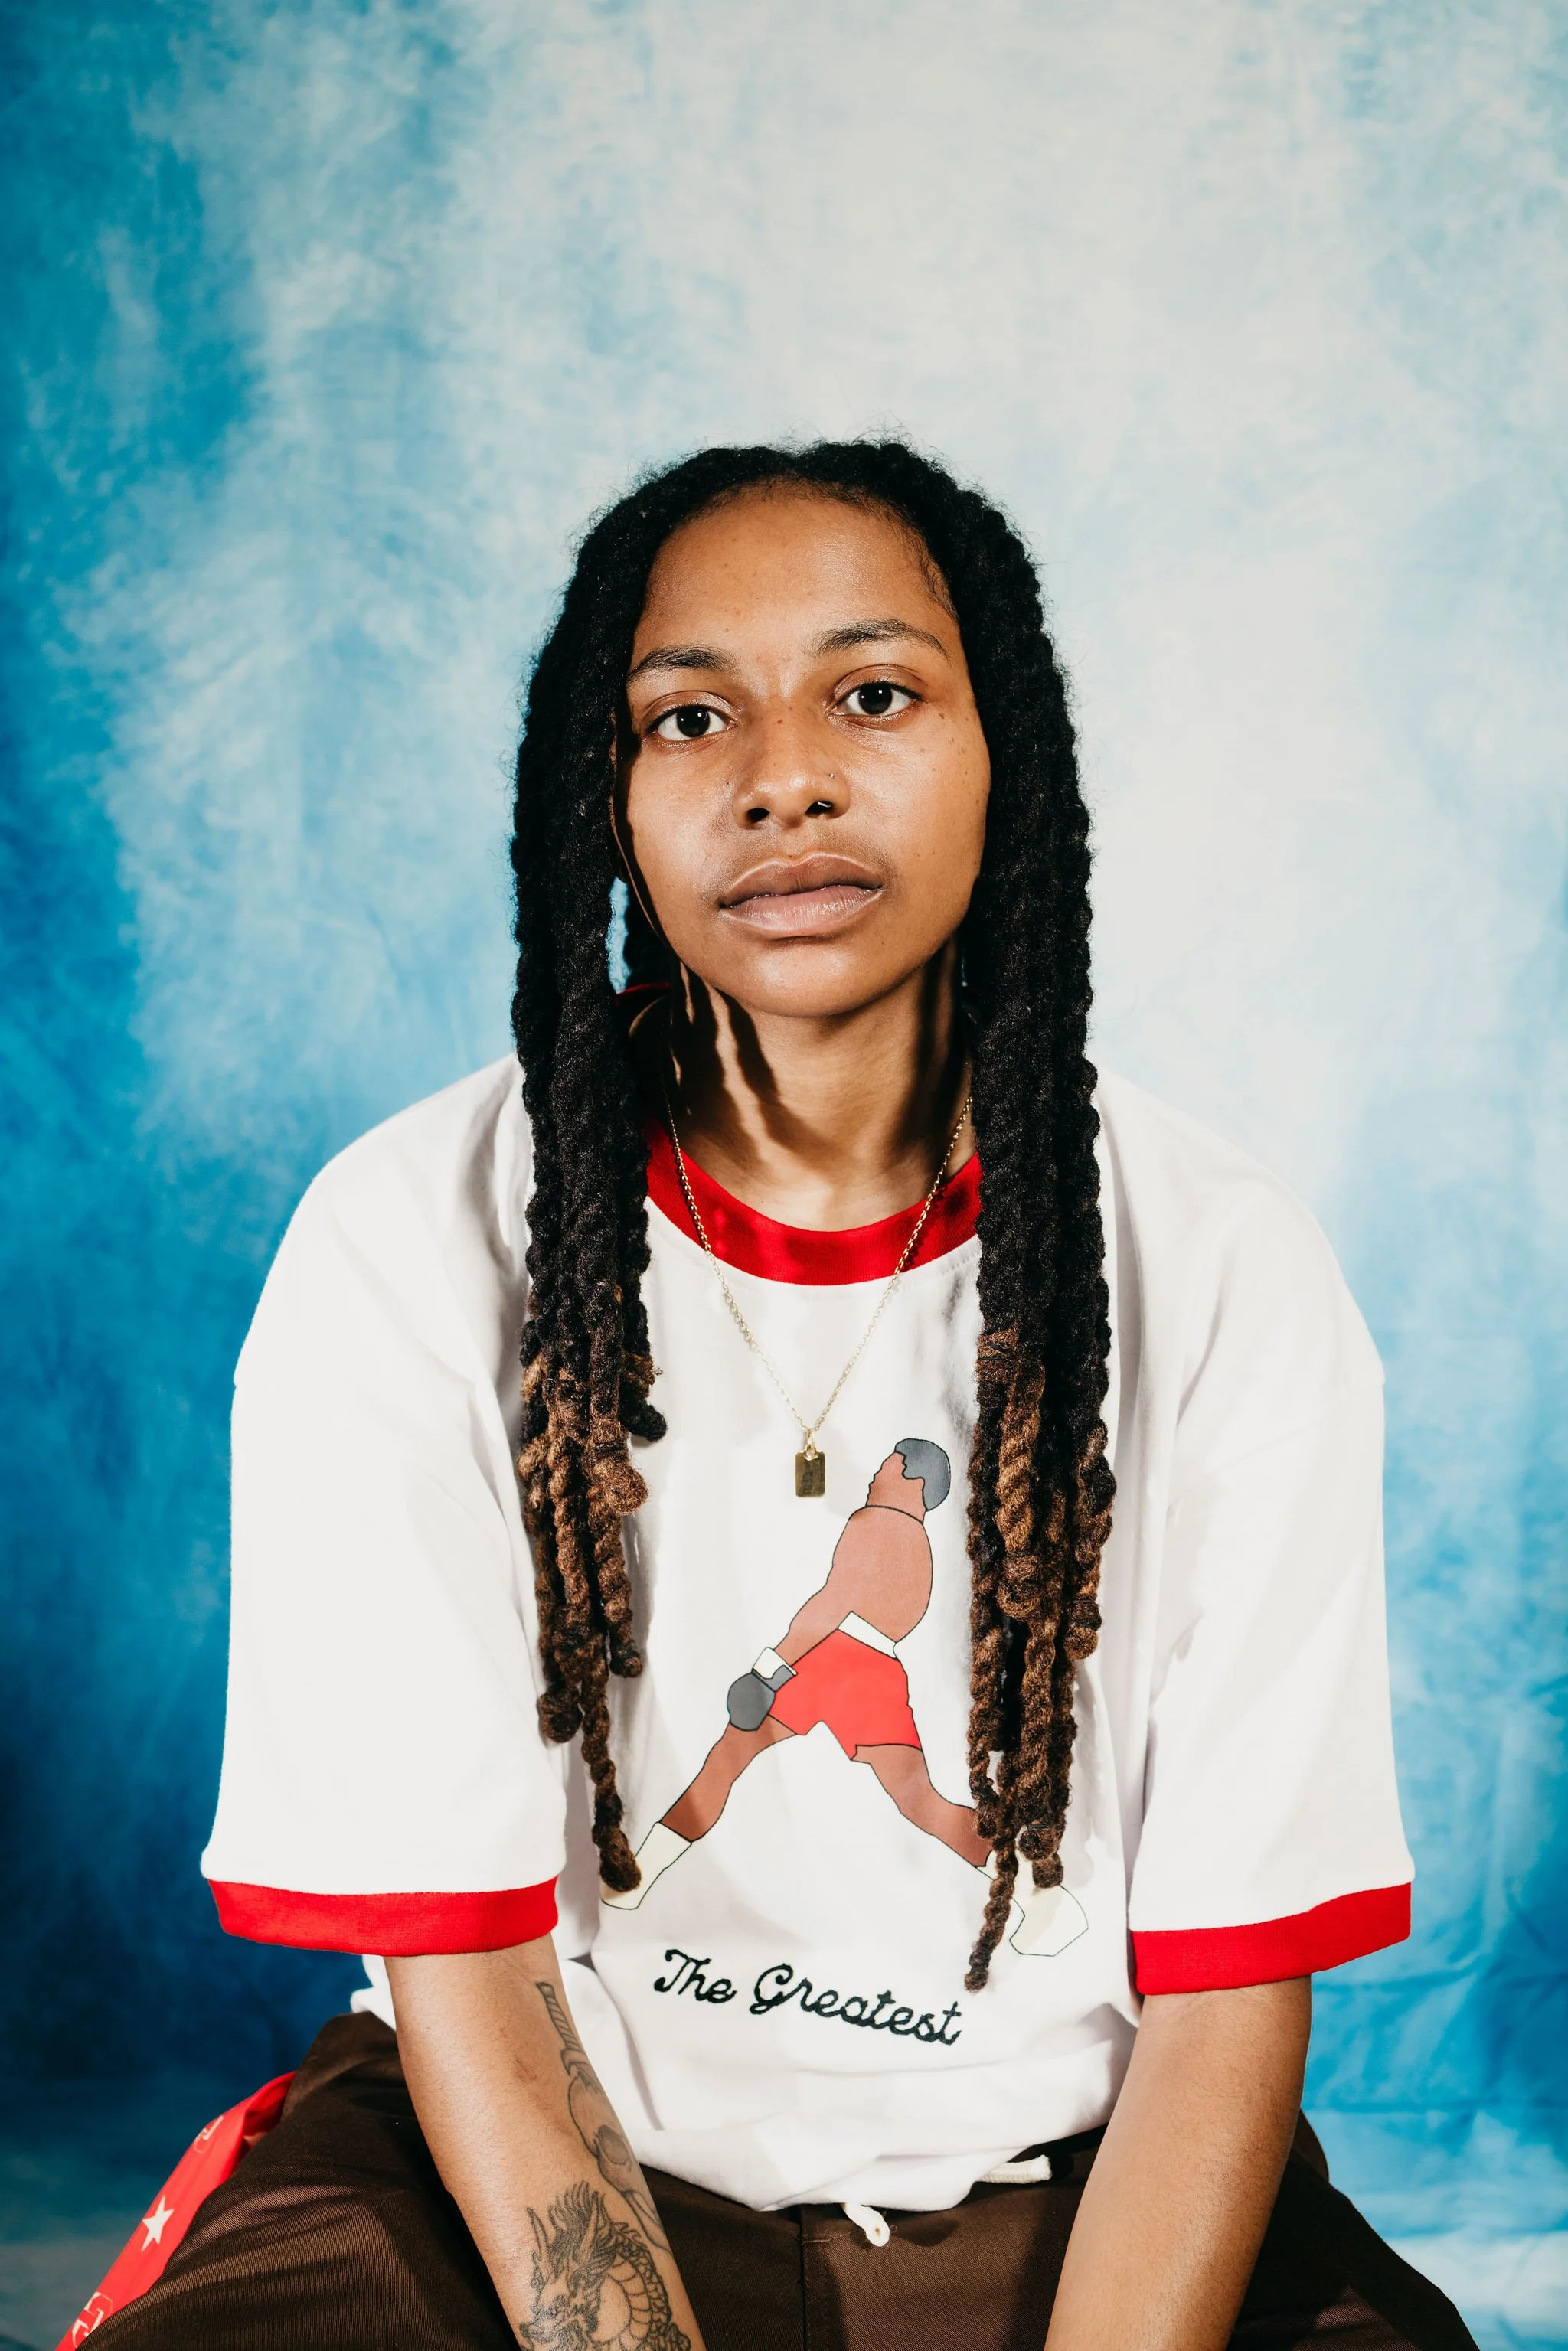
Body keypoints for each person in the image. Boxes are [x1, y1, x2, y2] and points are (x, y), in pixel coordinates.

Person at [100, 442, 1476, 2350]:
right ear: (606, 797)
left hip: (1070, 2187)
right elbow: (470, 1976)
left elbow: (1227, 2005)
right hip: (516, 2166)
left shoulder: (1222, 1258)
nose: (784, 777)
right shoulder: (406, 1236)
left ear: (1007, 759)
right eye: (690, 716)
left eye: (874, 693)